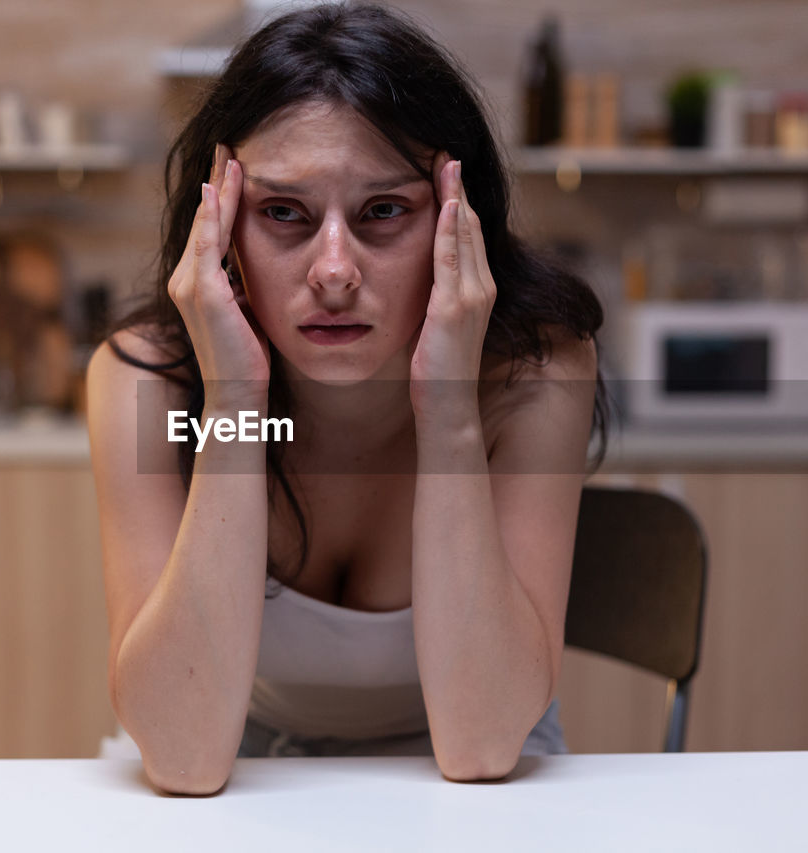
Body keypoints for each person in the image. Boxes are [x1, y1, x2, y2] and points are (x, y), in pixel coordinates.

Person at [86, 2, 608, 794]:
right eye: (284, 213)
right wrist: (232, 400)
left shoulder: (536, 372)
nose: (335, 271)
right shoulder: (147, 379)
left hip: (475, 789)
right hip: (239, 770)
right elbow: (185, 757)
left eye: (384, 211)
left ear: (456, 221)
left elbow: (480, 744)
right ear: (219, 227)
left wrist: (450, 412)